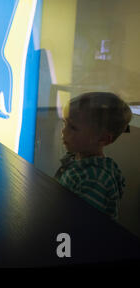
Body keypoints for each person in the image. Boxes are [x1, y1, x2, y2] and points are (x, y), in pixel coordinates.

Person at [55, 92, 132, 220]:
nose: (63, 130)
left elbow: (82, 224)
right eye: (65, 123)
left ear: (103, 139)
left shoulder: (94, 179)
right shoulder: (76, 158)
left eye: (73, 127)